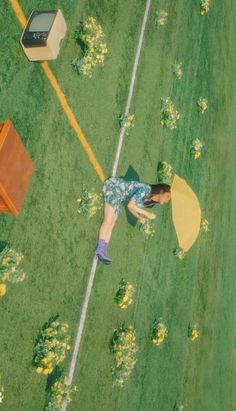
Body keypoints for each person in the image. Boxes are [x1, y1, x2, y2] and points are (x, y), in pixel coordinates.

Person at [94, 176, 171, 264]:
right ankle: (99, 249)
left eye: (169, 199)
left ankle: (104, 250)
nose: (167, 200)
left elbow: (131, 208)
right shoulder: (146, 189)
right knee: (108, 219)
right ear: (161, 191)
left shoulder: (150, 202)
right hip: (116, 188)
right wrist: (147, 214)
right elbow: (131, 205)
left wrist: (139, 217)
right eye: (167, 196)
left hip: (120, 199)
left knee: (112, 223)